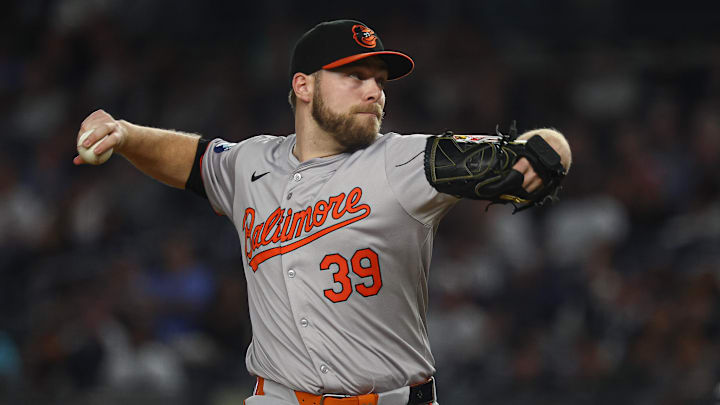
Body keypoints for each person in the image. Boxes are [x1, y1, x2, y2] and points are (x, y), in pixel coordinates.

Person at [74, 19, 572, 405]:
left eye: (379, 80)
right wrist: (125, 134)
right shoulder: (251, 162)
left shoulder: (406, 161)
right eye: (355, 76)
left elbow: (530, 151)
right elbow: (194, 159)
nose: (374, 90)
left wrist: (549, 151)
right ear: (304, 86)